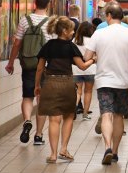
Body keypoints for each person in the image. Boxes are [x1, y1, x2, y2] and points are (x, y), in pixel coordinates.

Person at [84, 1, 128, 165]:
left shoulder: (99, 34)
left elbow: (87, 57)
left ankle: (107, 146)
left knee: (106, 114)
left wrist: (96, 57)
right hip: (124, 82)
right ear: (121, 17)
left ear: (108, 16)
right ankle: (114, 152)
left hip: (104, 82)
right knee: (118, 116)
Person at [34, 16, 94, 163]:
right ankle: (64, 149)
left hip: (50, 83)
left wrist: (37, 86)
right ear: (65, 31)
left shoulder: (48, 45)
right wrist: (94, 60)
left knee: (54, 119)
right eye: (72, 29)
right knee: (68, 116)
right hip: (67, 83)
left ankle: (53, 154)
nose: (74, 32)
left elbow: (40, 68)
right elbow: (82, 66)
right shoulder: (70, 46)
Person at [5, 0, 52, 145]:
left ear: (34, 3)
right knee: (42, 100)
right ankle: (38, 136)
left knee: (27, 96)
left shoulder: (24, 20)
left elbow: (17, 43)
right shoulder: (51, 23)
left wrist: (11, 62)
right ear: (48, 4)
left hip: (28, 64)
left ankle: (26, 121)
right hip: (45, 66)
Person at [73, 21, 96, 121]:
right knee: (88, 91)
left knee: (78, 91)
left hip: (76, 69)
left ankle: (74, 107)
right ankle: (85, 114)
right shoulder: (93, 41)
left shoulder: (75, 40)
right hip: (90, 69)